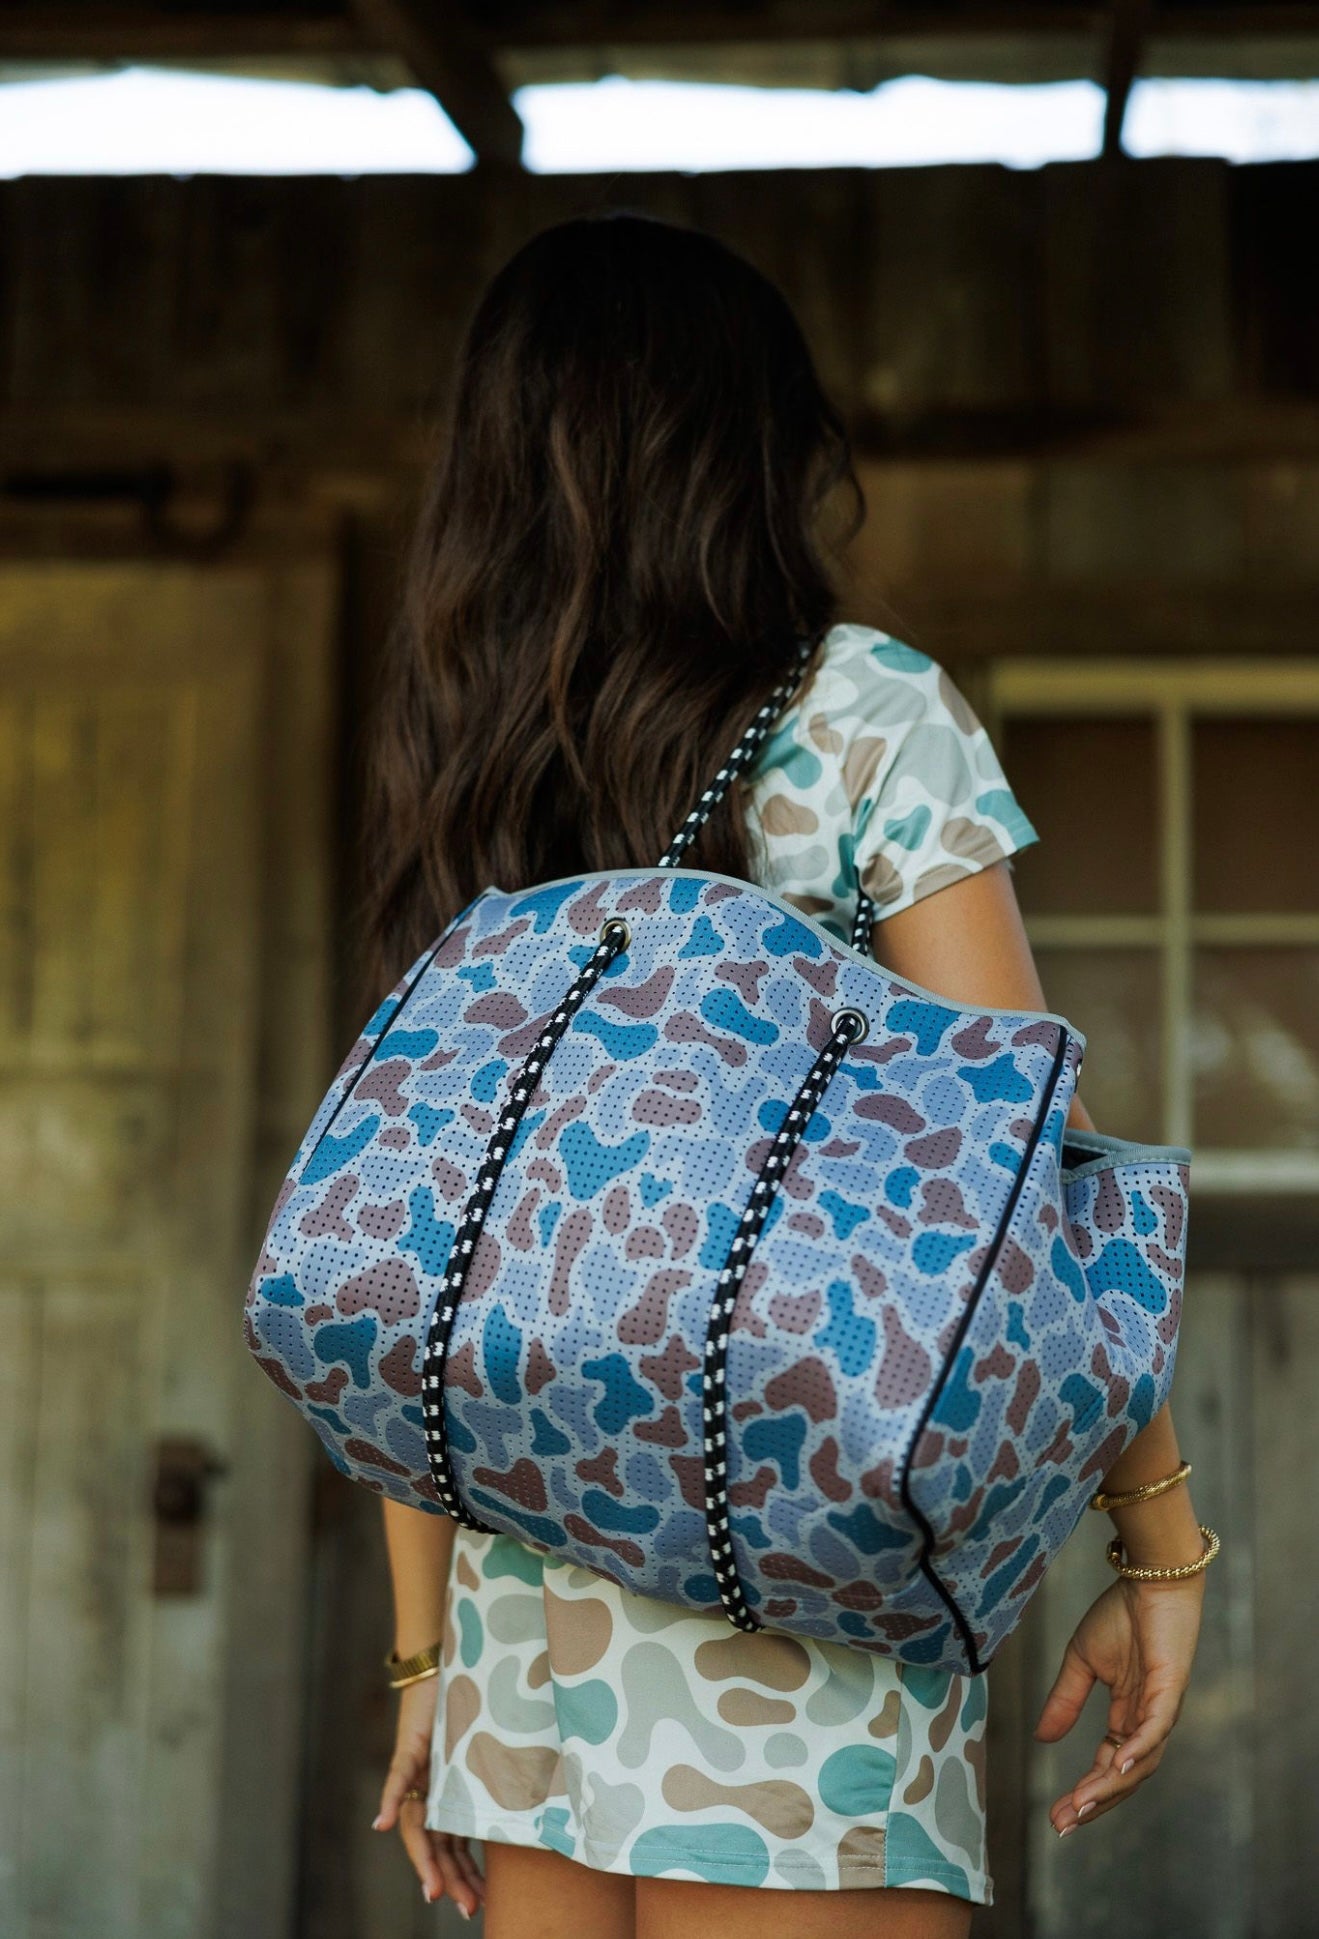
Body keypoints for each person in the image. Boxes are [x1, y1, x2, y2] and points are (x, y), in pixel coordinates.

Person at [362, 211, 1209, 1937]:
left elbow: (437, 1262)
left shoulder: (475, 761)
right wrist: (1158, 1543)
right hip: (804, 1632)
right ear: (749, 453)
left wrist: (426, 1655)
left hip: (529, 1647)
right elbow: (1015, 1183)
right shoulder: (866, 713)